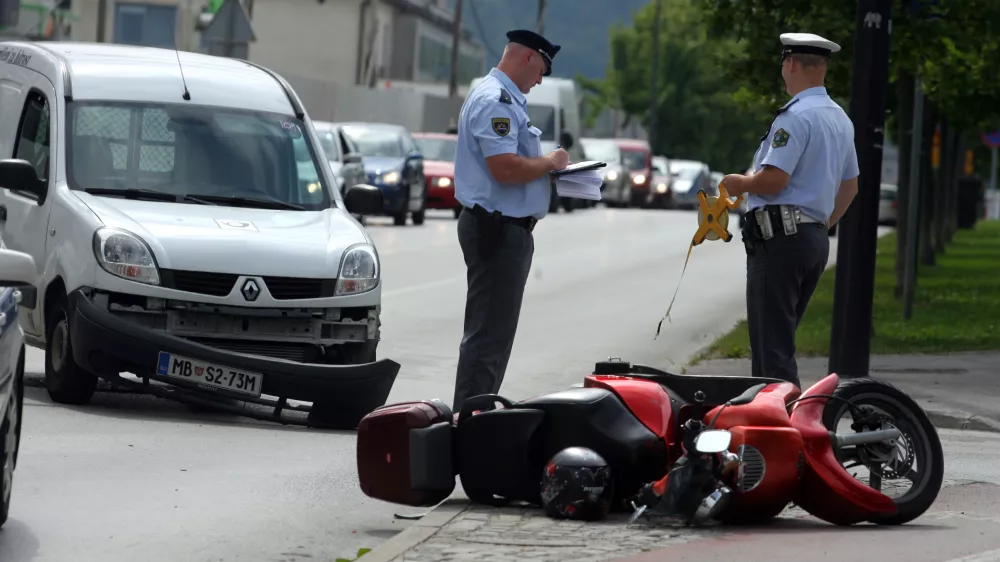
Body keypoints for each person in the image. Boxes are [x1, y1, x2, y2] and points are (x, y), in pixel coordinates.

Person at [721, 32, 860, 388]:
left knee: (772, 354)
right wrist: (819, 224)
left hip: (780, 241)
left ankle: (781, 435)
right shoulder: (841, 119)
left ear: (792, 63)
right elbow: (850, 186)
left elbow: (774, 180)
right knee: (779, 341)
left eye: (783, 62)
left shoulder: (795, 117)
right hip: (812, 239)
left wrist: (740, 183)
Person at [450, 29, 570, 412]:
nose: (540, 80)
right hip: (497, 230)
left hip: (503, 228)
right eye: (541, 71)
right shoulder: (496, 100)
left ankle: (475, 422)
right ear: (528, 58)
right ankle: (469, 429)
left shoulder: (501, 97)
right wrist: (549, 162)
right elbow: (504, 168)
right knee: (487, 339)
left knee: (493, 339)